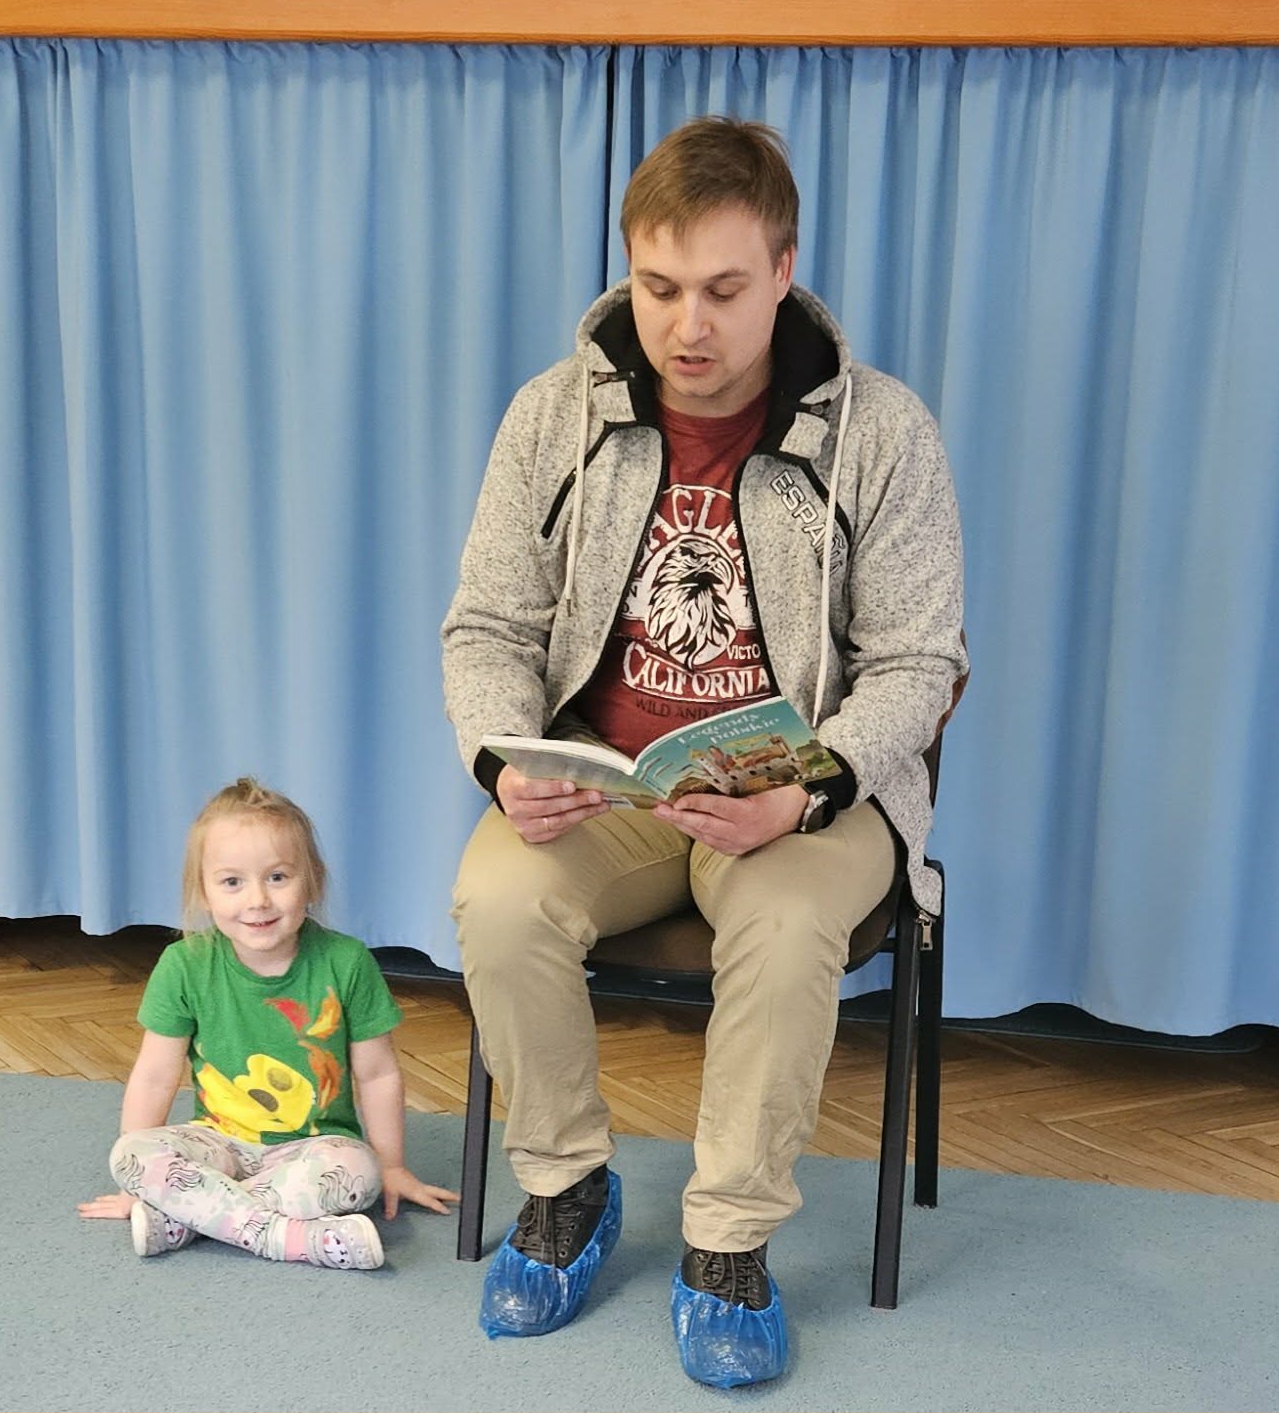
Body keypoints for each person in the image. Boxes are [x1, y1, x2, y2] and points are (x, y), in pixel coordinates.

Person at [442, 117, 967, 1385]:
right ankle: (567, 1186)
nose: (688, 325)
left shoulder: (884, 432)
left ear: (784, 269)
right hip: (612, 786)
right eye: (660, 285)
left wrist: (812, 787)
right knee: (497, 901)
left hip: (803, 791)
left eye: (725, 290)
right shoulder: (553, 416)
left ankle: (728, 1243)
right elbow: (488, 627)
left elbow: (919, 663)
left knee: (784, 931)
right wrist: (504, 762)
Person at [78, 776, 458, 1269]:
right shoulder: (184, 964)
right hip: (216, 1143)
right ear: (204, 891)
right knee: (129, 1155)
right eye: (232, 882)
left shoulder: (347, 962)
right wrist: (135, 1186)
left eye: (277, 877)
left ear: (311, 881)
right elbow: (154, 1076)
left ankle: (187, 1218)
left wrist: (392, 1165)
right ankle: (289, 1238)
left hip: (313, 1149)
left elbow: (378, 1074)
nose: (257, 900)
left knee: (357, 1172)